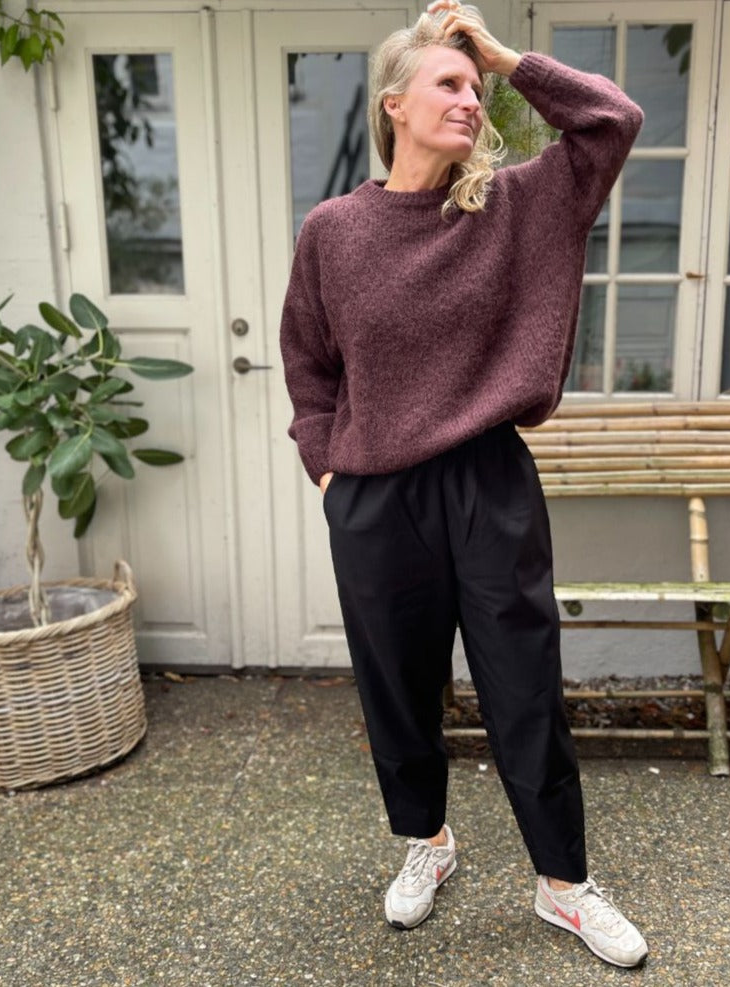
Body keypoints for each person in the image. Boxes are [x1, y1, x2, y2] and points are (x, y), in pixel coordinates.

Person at [279, 0, 646, 969]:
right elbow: (309, 364)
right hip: (374, 495)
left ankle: (562, 883)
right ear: (393, 104)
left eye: (476, 90)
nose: (471, 101)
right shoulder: (334, 231)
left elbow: (611, 121)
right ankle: (426, 841)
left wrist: (502, 54)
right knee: (396, 684)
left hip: (488, 480)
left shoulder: (517, 205)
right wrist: (326, 469)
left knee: (522, 683)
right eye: (448, 83)